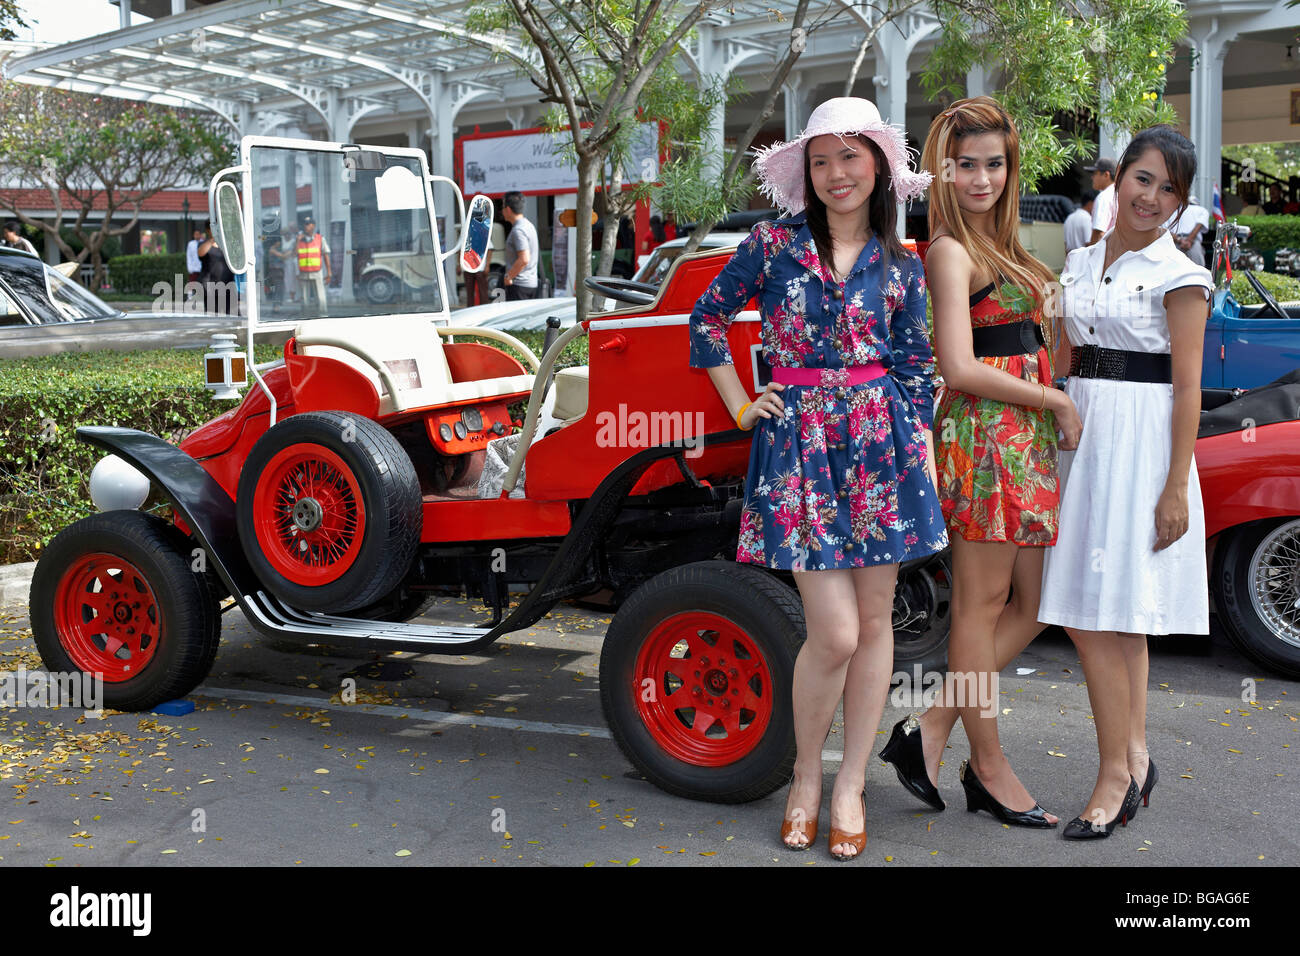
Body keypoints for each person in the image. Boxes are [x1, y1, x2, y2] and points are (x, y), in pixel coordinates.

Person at [688, 97, 945, 859]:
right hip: (797, 446)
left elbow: (918, 366)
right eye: (823, 159)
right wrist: (740, 403)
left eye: (851, 157)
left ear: (878, 168)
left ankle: (850, 784)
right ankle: (806, 775)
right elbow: (705, 320)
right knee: (832, 631)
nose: (837, 173)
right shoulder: (770, 246)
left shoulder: (903, 265)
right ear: (808, 171)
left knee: (874, 628)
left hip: (882, 451)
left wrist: (917, 446)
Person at [878, 96, 1081, 830]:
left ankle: (928, 729)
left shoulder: (1013, 248)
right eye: (965, 164)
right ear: (941, 168)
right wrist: (1053, 402)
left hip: (1022, 440)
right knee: (980, 607)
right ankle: (987, 767)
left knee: (1031, 605)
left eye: (994, 163)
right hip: (987, 438)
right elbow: (957, 366)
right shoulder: (949, 252)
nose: (981, 178)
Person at [1039, 125, 1212, 840]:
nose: (1152, 197)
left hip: (1142, 445)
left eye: (1169, 188)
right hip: (1082, 437)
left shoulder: (1182, 274)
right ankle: (1135, 758)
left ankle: (1115, 774)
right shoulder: (1075, 261)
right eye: (1143, 178)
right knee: (1099, 612)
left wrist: (1176, 486)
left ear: (1181, 201)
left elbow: (1189, 389)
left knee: (1108, 613)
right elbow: (1058, 354)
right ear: (1118, 177)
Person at [501, 191, 539, 300]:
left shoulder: (518, 230)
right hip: (530, 283)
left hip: (519, 285)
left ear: (508, 209)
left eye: (502, 207)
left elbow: (524, 259)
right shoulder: (529, 225)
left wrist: (509, 276)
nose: (502, 211)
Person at [196, 220, 237, 315]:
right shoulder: (204, 244)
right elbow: (200, 253)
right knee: (213, 315)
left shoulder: (227, 244)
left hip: (228, 285)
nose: (217, 229)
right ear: (208, 230)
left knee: (233, 315)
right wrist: (213, 239)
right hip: (211, 286)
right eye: (213, 228)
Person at [296, 216, 331, 316]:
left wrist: (329, 273)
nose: (306, 226)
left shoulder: (320, 239)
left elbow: (326, 255)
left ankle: (323, 315)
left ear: (313, 226)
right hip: (303, 272)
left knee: (320, 296)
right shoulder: (299, 240)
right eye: (305, 224)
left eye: (308, 224)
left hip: (317, 271)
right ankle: (305, 316)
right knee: (304, 297)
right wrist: (298, 241)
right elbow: (294, 255)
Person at [1165, 194, 1211, 267]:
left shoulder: (1172, 211)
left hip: (1174, 243)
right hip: (1193, 243)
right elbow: (1199, 225)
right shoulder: (1202, 210)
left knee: (1173, 270)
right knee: (1197, 270)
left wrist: (1180, 240)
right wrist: (1188, 240)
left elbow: (1165, 231)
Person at [1085, 158, 1116, 245]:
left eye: (1095, 173)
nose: (1092, 177)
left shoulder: (1104, 197)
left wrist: (1091, 256)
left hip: (1108, 254)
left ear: (1106, 175)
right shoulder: (1120, 194)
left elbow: (1099, 233)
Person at [1064, 189, 1097, 254]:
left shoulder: (1069, 218)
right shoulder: (1087, 219)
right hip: (1083, 261)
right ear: (1091, 203)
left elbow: (1066, 246)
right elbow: (1089, 245)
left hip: (1071, 260)